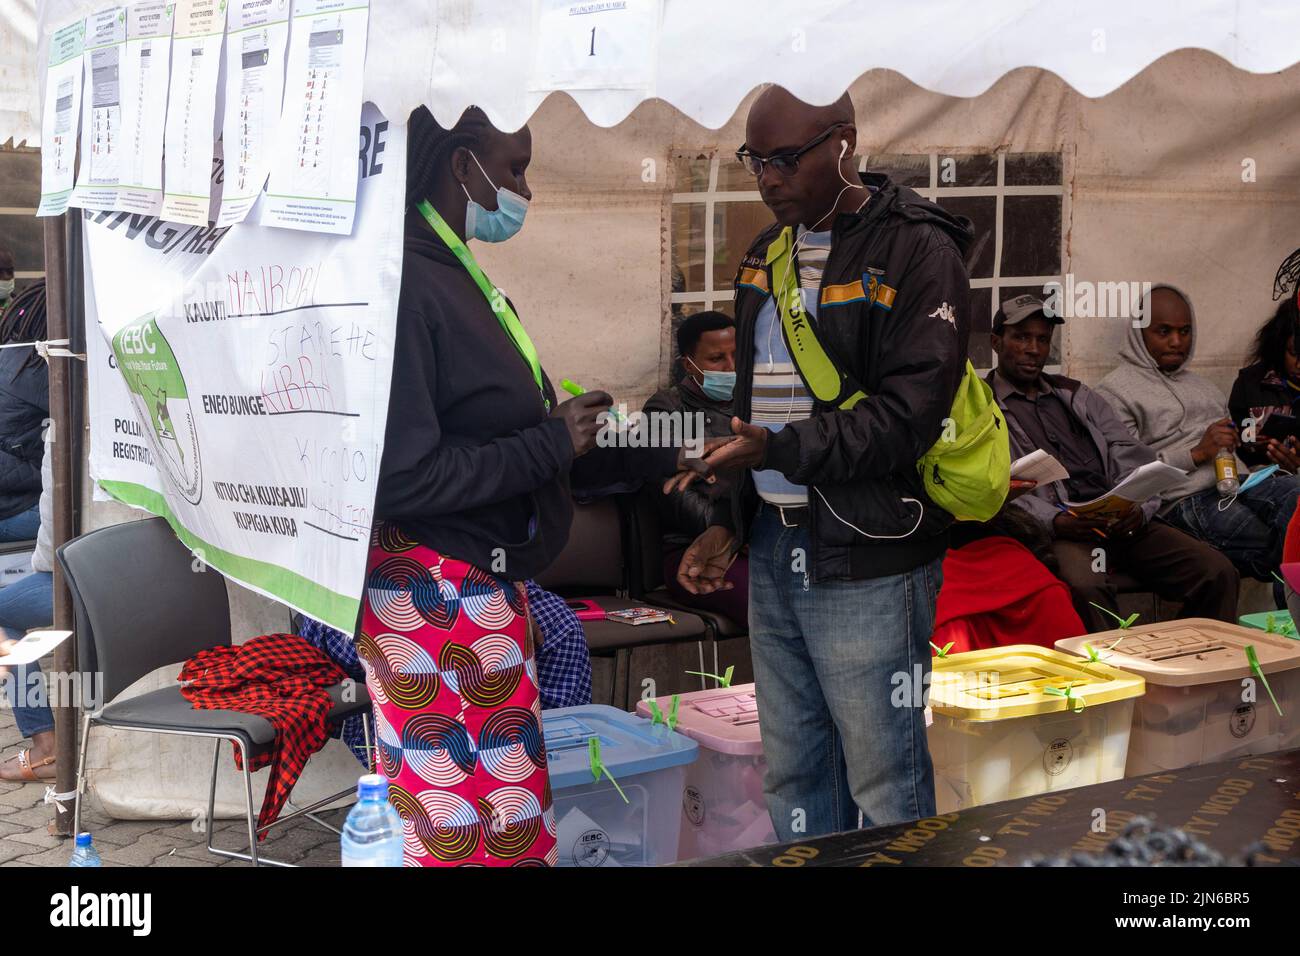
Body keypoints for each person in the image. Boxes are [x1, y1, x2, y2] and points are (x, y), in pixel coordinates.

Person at [363, 105, 718, 867]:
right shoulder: (406, 286)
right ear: (464, 167)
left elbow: (544, 439)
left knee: (506, 824)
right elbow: (405, 477)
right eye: (515, 167)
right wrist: (549, 440)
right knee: (468, 833)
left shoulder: (464, 279)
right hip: (435, 598)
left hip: (477, 589)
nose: (526, 188)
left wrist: (669, 447)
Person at [664, 87, 973, 840]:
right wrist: (733, 519)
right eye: (754, 160)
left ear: (844, 142)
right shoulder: (764, 251)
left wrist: (785, 450)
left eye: (783, 159)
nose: (765, 178)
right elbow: (751, 405)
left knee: (883, 775)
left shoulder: (917, 249)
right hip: (776, 546)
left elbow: (909, 417)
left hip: (868, 553)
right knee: (796, 770)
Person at [988, 294, 1237, 631]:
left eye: (1043, 339)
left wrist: (1139, 506)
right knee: (1086, 587)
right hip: (1063, 531)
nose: (1034, 349)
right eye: (1021, 337)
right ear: (996, 342)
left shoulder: (1077, 395)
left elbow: (1131, 455)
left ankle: (1190, 667)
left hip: (1120, 520)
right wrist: (1057, 522)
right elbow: (995, 488)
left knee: (1216, 571)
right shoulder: (983, 405)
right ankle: (1113, 675)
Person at [1097, 285, 1299, 604]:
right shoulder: (1114, 392)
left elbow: (1230, 450)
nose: (1176, 342)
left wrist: (1256, 456)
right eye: (1163, 331)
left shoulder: (1203, 387)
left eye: (1185, 331)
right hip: (1184, 499)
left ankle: (1281, 592)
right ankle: (1281, 606)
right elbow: (1127, 476)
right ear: (1139, 333)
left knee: (1297, 493)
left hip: (1237, 484)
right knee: (1269, 543)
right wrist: (1196, 453)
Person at [643, 311, 747, 624]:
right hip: (694, 552)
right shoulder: (667, 409)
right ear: (689, 365)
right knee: (766, 605)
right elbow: (673, 492)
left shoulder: (754, 402)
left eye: (736, 355)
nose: (731, 367)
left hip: (758, 543)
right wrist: (730, 529)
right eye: (717, 358)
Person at [0, 280, 55, 781]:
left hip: (33, 522)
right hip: (22, 515)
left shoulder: (12, 364)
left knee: (4, 615)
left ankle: (45, 744)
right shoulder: (41, 375)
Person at [1228, 295, 1300, 467]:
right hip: (1262, 482)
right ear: (1279, 344)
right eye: (1294, 353)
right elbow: (1236, 437)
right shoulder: (1250, 383)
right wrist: (1252, 442)